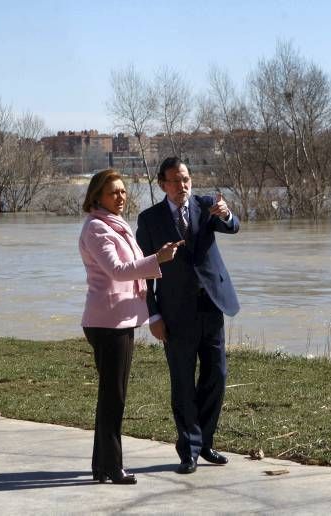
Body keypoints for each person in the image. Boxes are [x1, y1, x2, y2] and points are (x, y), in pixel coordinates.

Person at [79, 168, 183, 485]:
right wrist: (158, 259)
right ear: (98, 196)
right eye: (114, 192)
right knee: (114, 397)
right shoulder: (98, 229)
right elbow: (118, 270)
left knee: (111, 394)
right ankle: (112, 467)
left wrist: (155, 258)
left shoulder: (114, 224)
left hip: (117, 319)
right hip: (108, 322)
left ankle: (102, 466)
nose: (121, 197)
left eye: (123, 191)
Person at [136, 157, 240, 474]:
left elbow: (232, 226)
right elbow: (144, 273)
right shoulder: (150, 219)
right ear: (161, 184)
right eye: (175, 180)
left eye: (185, 179)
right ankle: (189, 450)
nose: (182, 186)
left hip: (211, 306)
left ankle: (205, 442)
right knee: (183, 382)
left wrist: (227, 213)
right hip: (175, 313)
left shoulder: (206, 206)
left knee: (216, 376)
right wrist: (153, 316)